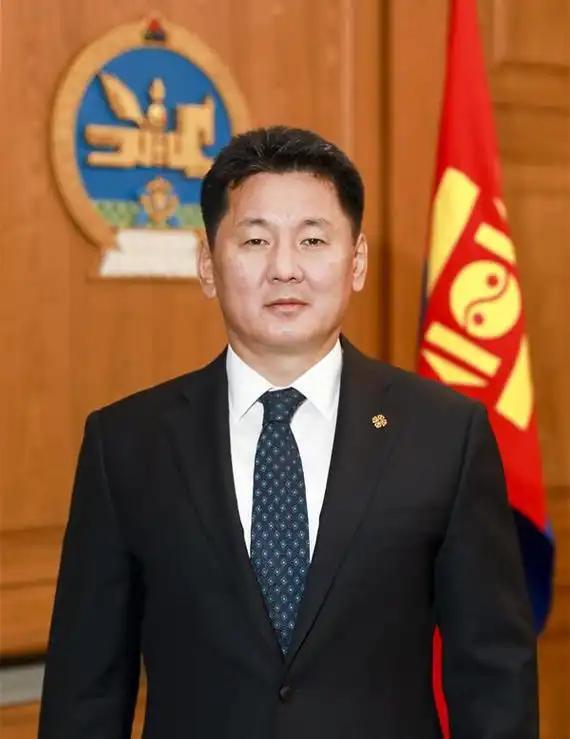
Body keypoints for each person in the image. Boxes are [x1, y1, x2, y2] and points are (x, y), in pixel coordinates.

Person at [38, 126, 538, 738]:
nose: (284, 269)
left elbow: (494, 676)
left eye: (312, 240)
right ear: (207, 265)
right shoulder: (126, 444)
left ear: (356, 262)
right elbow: (85, 689)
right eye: (255, 240)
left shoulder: (445, 434)